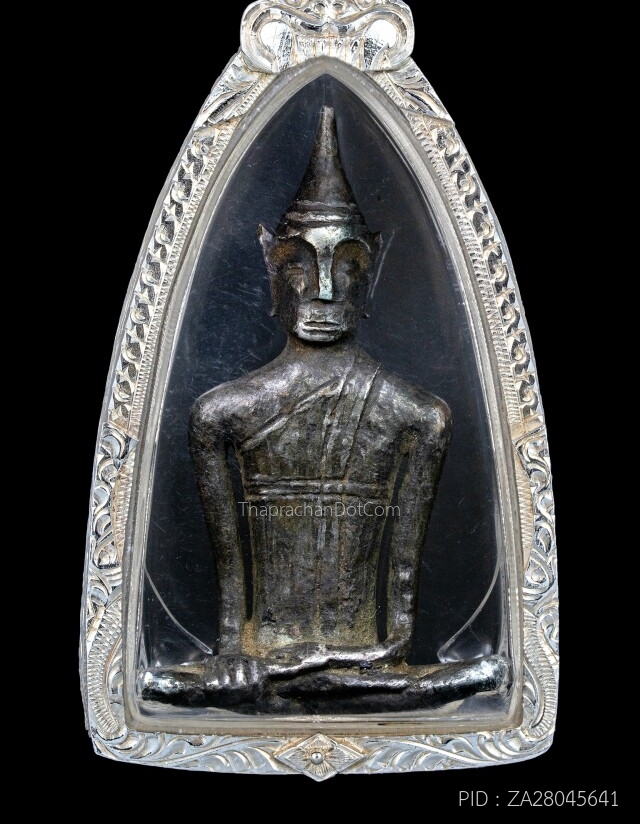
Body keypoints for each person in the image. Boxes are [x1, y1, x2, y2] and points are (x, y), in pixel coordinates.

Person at [142, 107, 508, 713]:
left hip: (364, 666)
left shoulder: (418, 418)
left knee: (442, 681)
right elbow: (232, 600)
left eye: (346, 268)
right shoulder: (221, 415)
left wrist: (327, 664)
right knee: (167, 686)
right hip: (279, 667)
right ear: (272, 269)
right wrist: (234, 656)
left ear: (371, 273)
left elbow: (397, 627)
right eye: (300, 267)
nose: (325, 292)